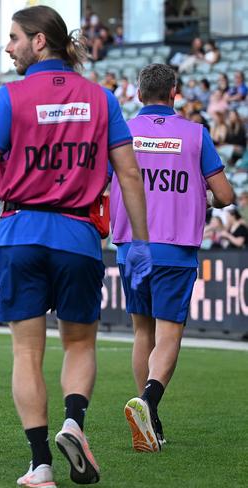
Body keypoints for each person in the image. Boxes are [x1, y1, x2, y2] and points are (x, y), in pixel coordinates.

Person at [0, 6, 150, 487]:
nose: (9, 47)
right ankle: (74, 422)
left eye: (14, 37)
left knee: (26, 354)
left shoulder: (10, 97)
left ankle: (40, 466)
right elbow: (130, 174)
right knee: (79, 343)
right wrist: (137, 240)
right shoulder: (101, 99)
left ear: (40, 42)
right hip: (78, 236)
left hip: (20, 234)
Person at [109, 64, 234, 453]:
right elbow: (226, 196)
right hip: (175, 249)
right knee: (168, 336)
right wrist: (204, 198)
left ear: (139, 93)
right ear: (174, 93)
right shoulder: (195, 133)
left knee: (141, 333)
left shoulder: (121, 131)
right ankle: (148, 402)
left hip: (132, 247)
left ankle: (150, 417)